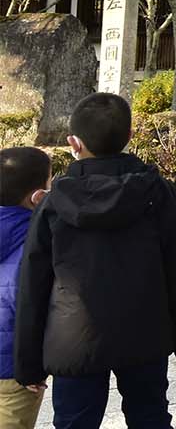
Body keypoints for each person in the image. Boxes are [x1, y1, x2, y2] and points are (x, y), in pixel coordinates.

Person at [14, 93, 176, 429]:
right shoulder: (156, 192)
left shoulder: (55, 201)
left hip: (73, 338)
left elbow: (33, 283)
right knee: (150, 417)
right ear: (129, 136)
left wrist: (28, 363)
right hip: (145, 331)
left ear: (73, 142)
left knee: (74, 422)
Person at [0, 147, 52, 429]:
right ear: (37, 198)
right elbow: (29, 305)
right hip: (13, 369)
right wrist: (33, 366)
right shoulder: (39, 240)